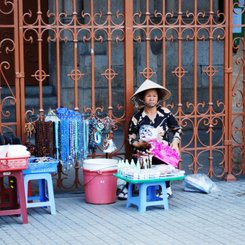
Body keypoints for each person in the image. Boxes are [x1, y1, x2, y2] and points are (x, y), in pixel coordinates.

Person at [118, 79, 182, 200]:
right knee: (137, 158)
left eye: (154, 96)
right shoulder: (137, 117)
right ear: (143, 98)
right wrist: (139, 144)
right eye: (148, 96)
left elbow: (177, 129)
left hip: (162, 152)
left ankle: (166, 188)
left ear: (158, 98)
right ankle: (129, 187)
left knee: (166, 158)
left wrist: (175, 142)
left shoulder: (166, 113)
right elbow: (131, 139)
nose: (151, 98)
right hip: (145, 152)